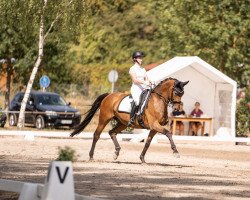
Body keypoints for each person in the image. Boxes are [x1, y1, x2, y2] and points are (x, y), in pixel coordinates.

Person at [128, 51, 151, 126]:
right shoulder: (132, 69)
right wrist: (145, 82)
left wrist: (151, 82)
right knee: (138, 102)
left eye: (141, 58)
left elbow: (147, 78)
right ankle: (132, 119)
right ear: (135, 59)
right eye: (140, 58)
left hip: (144, 89)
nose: (141, 59)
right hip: (136, 89)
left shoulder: (143, 69)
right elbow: (135, 80)